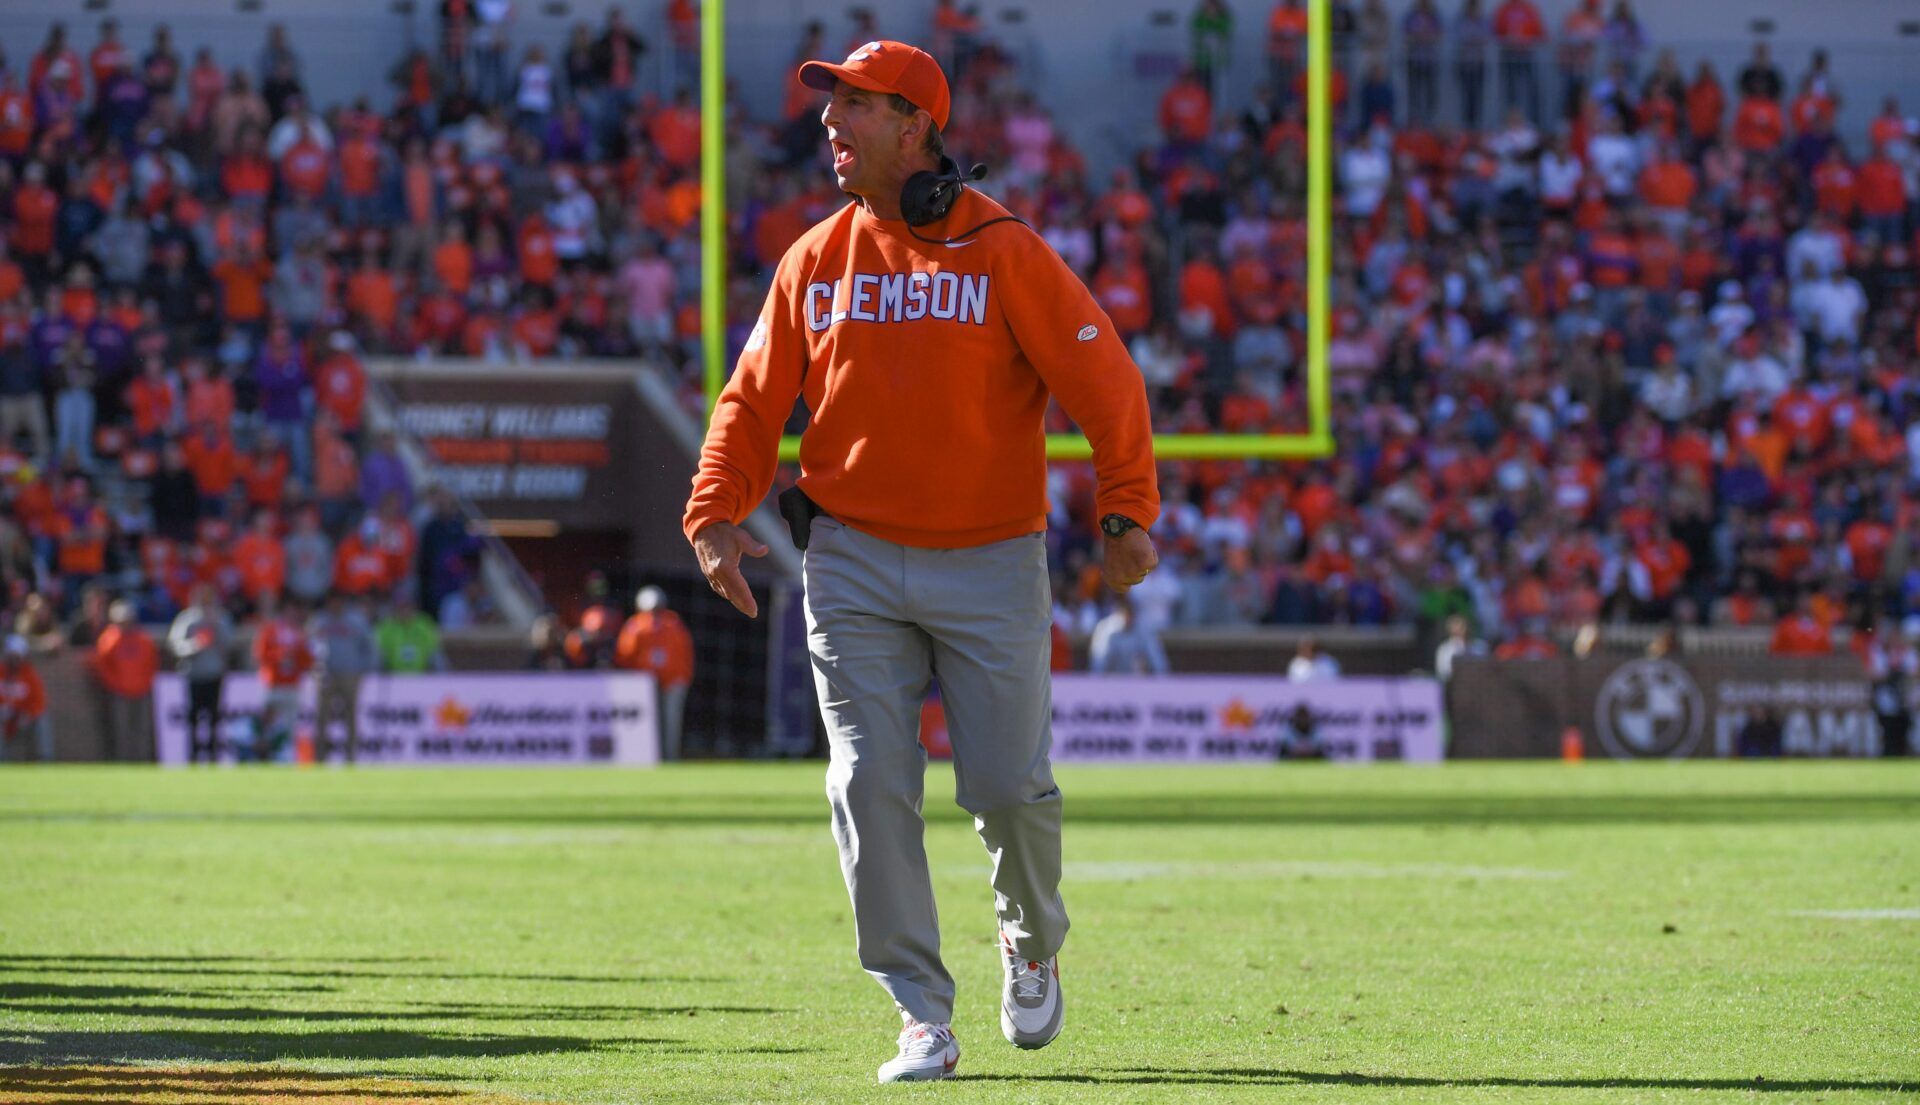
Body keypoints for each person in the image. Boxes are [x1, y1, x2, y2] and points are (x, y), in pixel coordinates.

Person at [683, 40, 1159, 1083]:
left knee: (1007, 789)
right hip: (849, 558)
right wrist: (715, 508)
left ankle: (1029, 943)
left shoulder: (1002, 249)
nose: (831, 124)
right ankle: (918, 1012)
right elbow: (754, 397)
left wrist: (1126, 510)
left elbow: (1106, 381)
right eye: (829, 105)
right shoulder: (815, 257)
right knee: (867, 780)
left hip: (990, 560)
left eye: (854, 106)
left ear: (916, 126)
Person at [614, 585, 694, 760]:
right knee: (647, 723)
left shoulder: (674, 625)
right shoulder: (636, 627)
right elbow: (625, 655)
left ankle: (670, 758)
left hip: (672, 681)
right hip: (645, 683)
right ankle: (650, 758)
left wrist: (682, 678)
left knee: (671, 722)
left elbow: (685, 654)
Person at [168, 583, 232, 763]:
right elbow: (175, 645)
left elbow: (228, 644)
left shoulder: (220, 619)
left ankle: (212, 755)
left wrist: (216, 626)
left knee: (214, 717)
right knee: (193, 718)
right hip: (194, 675)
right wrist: (194, 645)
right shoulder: (187, 619)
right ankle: (193, 755)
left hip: (214, 674)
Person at [309, 592, 376, 761]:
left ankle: (350, 758)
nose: (334, 605)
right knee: (322, 718)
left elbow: (369, 645)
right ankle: (320, 758)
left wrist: (363, 669)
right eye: (331, 602)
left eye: (337, 601)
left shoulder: (355, 620)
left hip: (350, 674)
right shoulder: (319, 620)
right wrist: (314, 669)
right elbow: (309, 647)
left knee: (351, 717)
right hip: (325, 675)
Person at [93, 600, 158, 761]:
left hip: (141, 691)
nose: (126, 624)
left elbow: (152, 664)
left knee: (142, 730)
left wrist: (145, 683)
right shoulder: (109, 639)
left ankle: (142, 761)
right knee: (122, 730)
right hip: (119, 693)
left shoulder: (143, 639)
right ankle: (124, 762)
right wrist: (115, 685)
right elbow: (103, 667)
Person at [252, 600, 312, 761]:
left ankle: (286, 758)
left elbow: (309, 660)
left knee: (290, 726)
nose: (292, 615)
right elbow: (259, 654)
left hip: (292, 686)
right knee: (266, 725)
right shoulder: (270, 630)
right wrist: (280, 657)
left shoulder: (301, 633)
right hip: (273, 684)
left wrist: (295, 660)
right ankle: (262, 757)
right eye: (289, 611)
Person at [1087, 593, 1170, 674]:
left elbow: (1158, 663)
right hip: (1111, 682)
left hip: (1138, 683)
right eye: (1123, 613)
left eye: (1130, 613)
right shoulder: (1105, 628)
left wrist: (1163, 683)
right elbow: (1098, 666)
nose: (1127, 618)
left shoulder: (1144, 629)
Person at [0, 635, 51, 762]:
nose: (15, 660)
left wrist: (27, 715)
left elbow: (39, 703)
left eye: (18, 656)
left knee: (42, 720)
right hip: (3, 721)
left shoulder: (29, 674)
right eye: (12, 655)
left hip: (22, 720)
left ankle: (44, 759)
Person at [375, 590, 444, 674]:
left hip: (422, 678)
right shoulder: (386, 627)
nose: (404, 611)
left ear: (414, 607)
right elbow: (379, 656)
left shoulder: (424, 624)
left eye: (407, 606)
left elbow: (434, 653)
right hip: (393, 677)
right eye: (400, 607)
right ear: (394, 609)